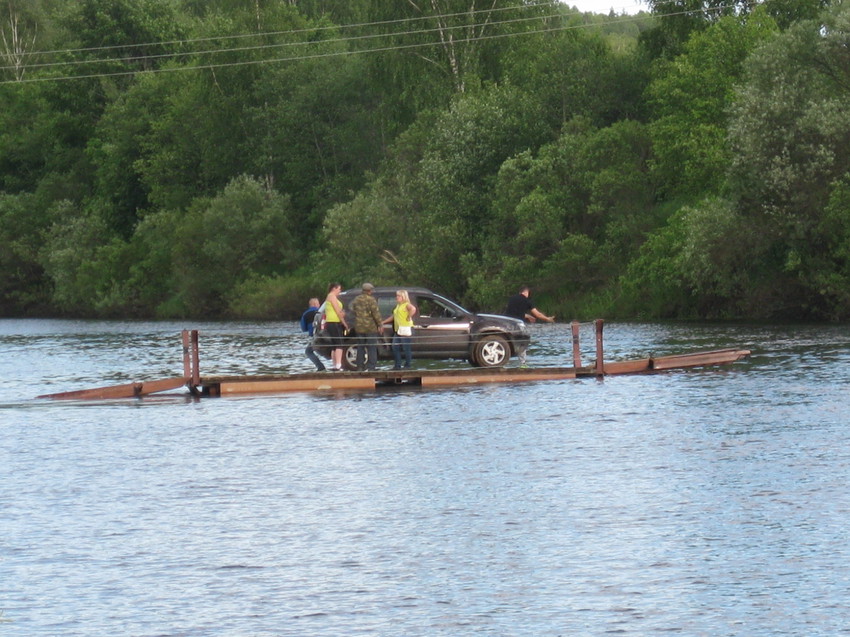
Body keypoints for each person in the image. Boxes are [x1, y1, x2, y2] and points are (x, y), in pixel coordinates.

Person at [504, 285, 555, 366]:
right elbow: (537, 314)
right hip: (518, 325)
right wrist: (547, 319)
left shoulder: (511, 299)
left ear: (519, 292)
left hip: (507, 324)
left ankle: (504, 362)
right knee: (522, 343)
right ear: (526, 292)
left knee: (507, 343)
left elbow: (514, 313)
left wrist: (528, 316)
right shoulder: (527, 301)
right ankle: (523, 364)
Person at [350, 282, 384, 371]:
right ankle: (371, 367)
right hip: (370, 327)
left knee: (360, 346)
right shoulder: (371, 300)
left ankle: (360, 366)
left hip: (359, 327)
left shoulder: (356, 299)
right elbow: (375, 313)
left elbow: (351, 309)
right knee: (371, 347)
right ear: (369, 291)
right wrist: (380, 324)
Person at [383, 289, 417, 369]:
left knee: (406, 348)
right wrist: (383, 322)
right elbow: (394, 316)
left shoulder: (406, 304)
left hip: (405, 328)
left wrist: (409, 316)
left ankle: (407, 365)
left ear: (403, 297)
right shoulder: (398, 306)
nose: (396, 297)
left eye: (398, 296)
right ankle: (397, 365)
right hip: (398, 329)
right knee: (395, 346)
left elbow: (413, 309)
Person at [324, 282, 349, 371]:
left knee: (334, 345)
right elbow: (338, 311)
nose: (340, 291)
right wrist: (344, 323)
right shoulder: (332, 296)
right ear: (334, 288)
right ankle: (338, 365)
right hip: (334, 322)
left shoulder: (330, 296)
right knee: (339, 343)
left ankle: (335, 365)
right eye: (339, 289)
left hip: (331, 322)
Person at [299, 297, 326, 371]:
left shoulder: (305, 314)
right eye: (318, 303)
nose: (319, 305)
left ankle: (320, 367)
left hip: (316, 337)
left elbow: (304, 328)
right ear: (315, 304)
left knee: (308, 351)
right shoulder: (322, 312)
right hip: (326, 334)